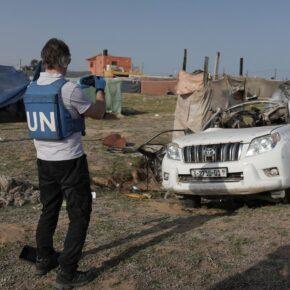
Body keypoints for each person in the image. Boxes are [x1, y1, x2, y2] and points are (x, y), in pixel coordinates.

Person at [23, 38, 106, 289]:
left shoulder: (32, 87)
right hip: (69, 161)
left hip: (43, 161)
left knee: (49, 210)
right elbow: (98, 112)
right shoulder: (69, 89)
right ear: (64, 61)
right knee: (79, 215)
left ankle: (43, 259)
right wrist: (100, 89)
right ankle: (67, 273)